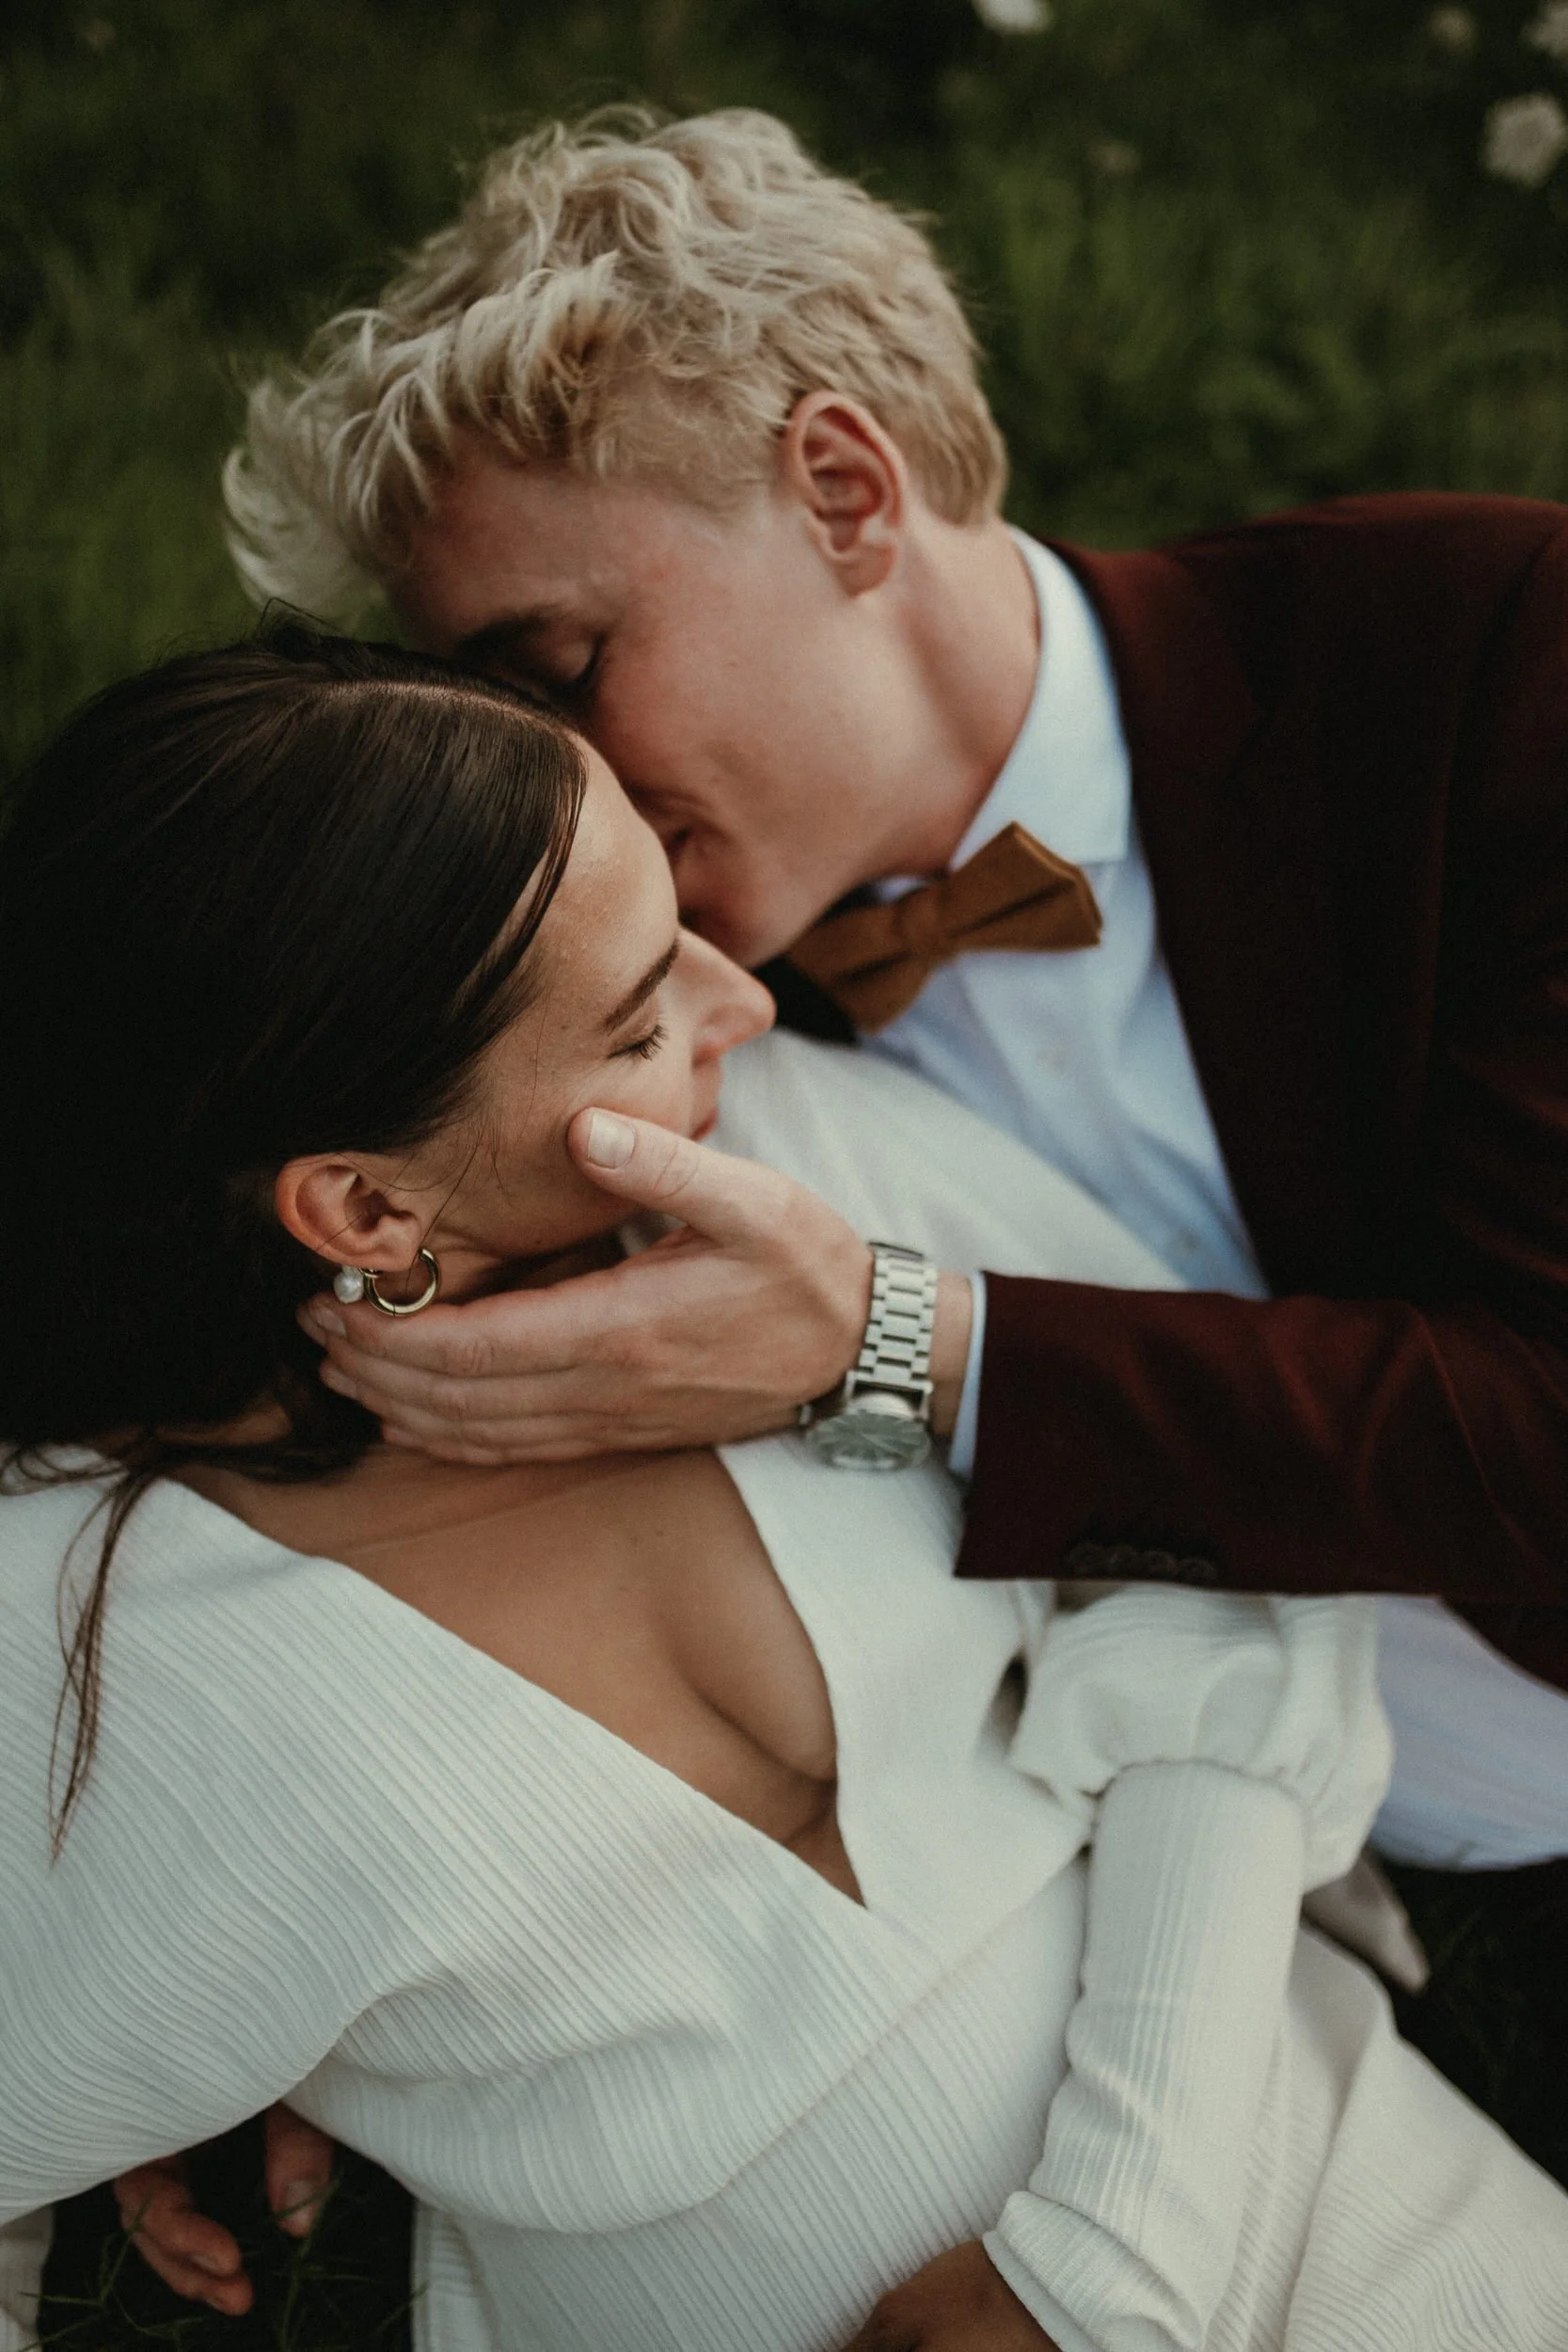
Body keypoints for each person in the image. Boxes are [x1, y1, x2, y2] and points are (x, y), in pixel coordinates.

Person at [4, 632, 1566, 2352]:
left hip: (1350, 2202)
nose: (744, 1000)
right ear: (366, 1213)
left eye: (681, 918)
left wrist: (1106, 2265)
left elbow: (1211, 1566)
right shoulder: (86, 1627)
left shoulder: (785, 1175)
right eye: (638, 1017)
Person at [221, 109, 1568, 1856]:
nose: (568, 793)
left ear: (844, 495)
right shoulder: (622, 969)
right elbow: (300, 1273)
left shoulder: (1489, 663)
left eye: (562, 671)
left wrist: (898, 1342)